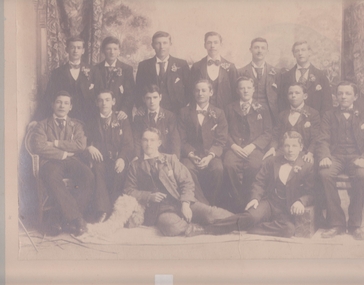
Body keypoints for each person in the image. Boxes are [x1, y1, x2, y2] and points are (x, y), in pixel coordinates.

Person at [198, 131, 314, 238]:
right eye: (287, 145)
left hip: (287, 208)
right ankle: (208, 229)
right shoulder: (272, 161)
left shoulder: (307, 166)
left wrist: (301, 201)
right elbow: (260, 181)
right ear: (282, 147)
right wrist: (255, 198)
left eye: (294, 146)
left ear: (301, 147)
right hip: (270, 202)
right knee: (250, 216)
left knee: (288, 229)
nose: (290, 150)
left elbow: (312, 192)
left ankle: (250, 227)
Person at [123, 128, 234, 237]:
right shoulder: (135, 165)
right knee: (170, 226)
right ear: (141, 142)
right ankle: (200, 229)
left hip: (179, 200)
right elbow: (128, 190)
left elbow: (187, 182)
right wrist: (149, 196)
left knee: (211, 214)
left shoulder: (170, 159)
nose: (148, 144)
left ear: (159, 143)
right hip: (159, 210)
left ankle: (244, 220)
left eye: (152, 140)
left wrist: (185, 204)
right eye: (145, 140)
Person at [31, 91, 94, 236]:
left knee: (88, 175)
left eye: (66, 103)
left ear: (70, 107)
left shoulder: (76, 125)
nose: (62, 106)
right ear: (52, 104)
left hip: (72, 161)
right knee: (53, 176)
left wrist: (55, 143)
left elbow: (80, 145)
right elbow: (39, 147)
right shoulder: (42, 125)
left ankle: (58, 219)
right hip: (50, 162)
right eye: (59, 102)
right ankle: (76, 219)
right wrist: (63, 153)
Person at [317, 81, 364, 240]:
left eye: (348, 93)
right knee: (325, 174)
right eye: (340, 93)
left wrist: (363, 158)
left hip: (356, 157)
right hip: (335, 156)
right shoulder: (329, 115)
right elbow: (323, 138)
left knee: (362, 175)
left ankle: (355, 224)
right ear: (336, 96)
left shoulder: (362, 114)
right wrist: (325, 155)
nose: (343, 97)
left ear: (355, 96)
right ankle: (336, 223)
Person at [223, 76, 272, 211]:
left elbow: (268, 132)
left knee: (255, 165)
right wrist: (233, 146)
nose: (245, 91)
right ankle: (237, 202)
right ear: (237, 91)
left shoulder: (262, 108)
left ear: (253, 90)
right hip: (234, 148)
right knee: (229, 165)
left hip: (254, 148)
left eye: (248, 88)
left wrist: (253, 146)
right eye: (242, 88)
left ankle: (250, 200)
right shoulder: (229, 108)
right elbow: (223, 131)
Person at [85, 90, 134, 222]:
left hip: (117, 159)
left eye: (107, 100)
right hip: (100, 160)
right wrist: (89, 147)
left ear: (113, 102)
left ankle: (114, 210)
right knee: (97, 169)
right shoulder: (91, 121)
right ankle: (102, 210)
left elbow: (129, 144)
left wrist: (122, 158)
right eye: (100, 100)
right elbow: (84, 140)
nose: (104, 103)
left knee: (120, 171)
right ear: (96, 103)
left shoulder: (122, 119)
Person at [178, 79, 228, 205]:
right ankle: (201, 204)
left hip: (210, 154)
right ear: (194, 93)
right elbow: (181, 139)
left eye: (204, 90)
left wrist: (210, 156)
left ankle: (212, 203)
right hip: (190, 155)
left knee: (218, 169)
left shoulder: (219, 113)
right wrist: (190, 154)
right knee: (187, 169)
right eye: (197, 90)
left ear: (211, 93)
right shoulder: (184, 112)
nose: (200, 93)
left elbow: (221, 140)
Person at [35, 36, 95, 123]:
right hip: (65, 117)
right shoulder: (57, 73)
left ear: (83, 51)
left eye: (79, 48)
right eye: (72, 47)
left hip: (88, 117)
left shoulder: (93, 71)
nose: (75, 51)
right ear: (67, 50)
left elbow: (99, 95)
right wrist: (36, 119)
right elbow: (48, 97)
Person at [264, 83, 320, 163]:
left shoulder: (313, 114)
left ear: (305, 96)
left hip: (303, 152)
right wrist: (272, 148)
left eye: (297, 93)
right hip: (283, 151)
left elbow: (315, 137)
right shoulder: (282, 114)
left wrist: (310, 153)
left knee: (301, 168)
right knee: (267, 162)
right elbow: (275, 135)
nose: (293, 95)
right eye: (290, 93)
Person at [135, 31, 190, 113]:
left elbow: (189, 89)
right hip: (152, 111)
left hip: (177, 112)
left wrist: (183, 107)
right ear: (152, 45)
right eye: (158, 43)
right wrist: (141, 107)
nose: (162, 47)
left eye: (165, 43)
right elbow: (138, 90)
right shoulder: (144, 65)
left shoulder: (182, 64)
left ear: (170, 44)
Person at [279, 41, 332, 114]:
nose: (300, 53)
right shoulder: (286, 76)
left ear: (309, 52)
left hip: (315, 121)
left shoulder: (321, 75)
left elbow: (327, 104)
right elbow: (282, 102)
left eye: (303, 50)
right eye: (297, 51)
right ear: (293, 54)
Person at [190, 31, 238, 109]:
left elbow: (235, 93)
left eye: (216, 42)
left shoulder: (231, 67)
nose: (212, 46)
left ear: (221, 45)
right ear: (204, 45)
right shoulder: (197, 67)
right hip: (202, 111)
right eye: (209, 43)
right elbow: (191, 91)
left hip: (225, 111)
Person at [238, 37, 280, 124]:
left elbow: (281, 97)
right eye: (256, 47)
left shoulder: (277, 72)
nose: (259, 51)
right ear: (250, 50)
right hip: (248, 114)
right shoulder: (240, 72)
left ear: (267, 51)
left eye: (263, 48)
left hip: (270, 115)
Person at [132, 84, 180, 159]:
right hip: (145, 157)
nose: (152, 101)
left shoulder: (169, 116)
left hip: (165, 156)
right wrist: (137, 157)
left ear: (160, 97)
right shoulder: (139, 117)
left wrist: (175, 159)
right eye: (148, 98)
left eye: (155, 97)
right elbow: (137, 140)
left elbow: (175, 140)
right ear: (143, 99)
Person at [93, 36, 135, 119]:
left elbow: (130, 93)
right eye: (108, 49)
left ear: (119, 51)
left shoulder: (127, 69)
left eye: (115, 49)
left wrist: (124, 110)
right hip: (100, 113)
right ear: (103, 51)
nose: (112, 52)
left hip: (120, 113)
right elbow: (93, 93)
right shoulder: (95, 69)